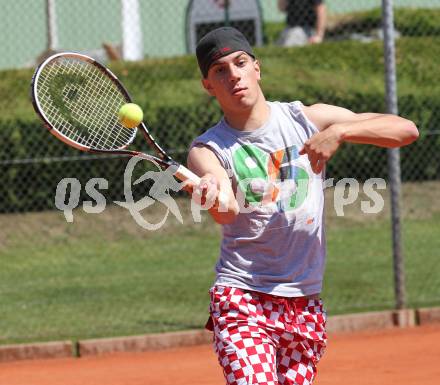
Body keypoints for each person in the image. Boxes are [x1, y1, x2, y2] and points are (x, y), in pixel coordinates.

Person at [187, 27, 418, 385]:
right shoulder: (208, 149)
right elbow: (226, 212)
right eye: (220, 70)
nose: (234, 75)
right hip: (243, 298)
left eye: (240, 63)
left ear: (256, 68)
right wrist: (211, 193)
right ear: (208, 85)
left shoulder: (304, 119)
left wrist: (340, 132)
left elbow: (405, 130)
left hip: (304, 300)